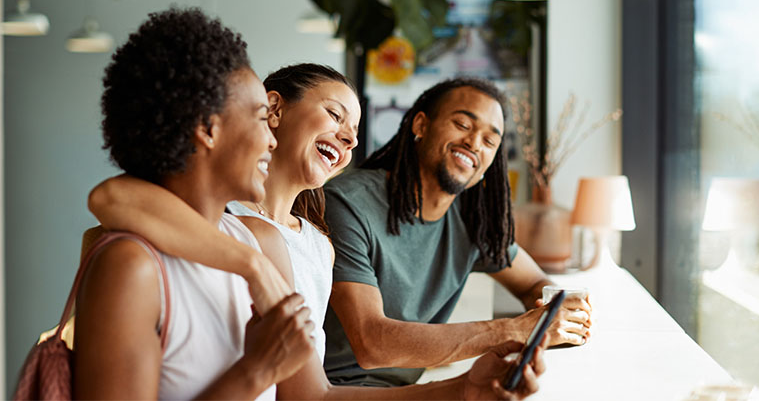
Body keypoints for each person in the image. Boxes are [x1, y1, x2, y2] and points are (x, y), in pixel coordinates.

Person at [87, 62, 549, 399]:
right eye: (335, 115)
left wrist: (463, 390)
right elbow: (110, 199)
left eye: (354, 129)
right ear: (273, 111)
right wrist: (253, 267)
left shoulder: (314, 245)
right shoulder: (213, 224)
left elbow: (313, 396)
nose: (350, 137)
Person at [74, 7, 314, 399]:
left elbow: (314, 395)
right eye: (260, 118)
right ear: (207, 128)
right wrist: (256, 371)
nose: (272, 140)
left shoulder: (257, 243)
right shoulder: (132, 267)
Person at [322, 77, 593, 387]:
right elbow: (372, 344)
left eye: (490, 141)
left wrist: (556, 312)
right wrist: (517, 330)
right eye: (463, 124)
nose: (474, 143)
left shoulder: (472, 220)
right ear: (421, 125)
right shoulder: (347, 204)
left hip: (403, 392)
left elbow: (534, 283)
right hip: (334, 390)